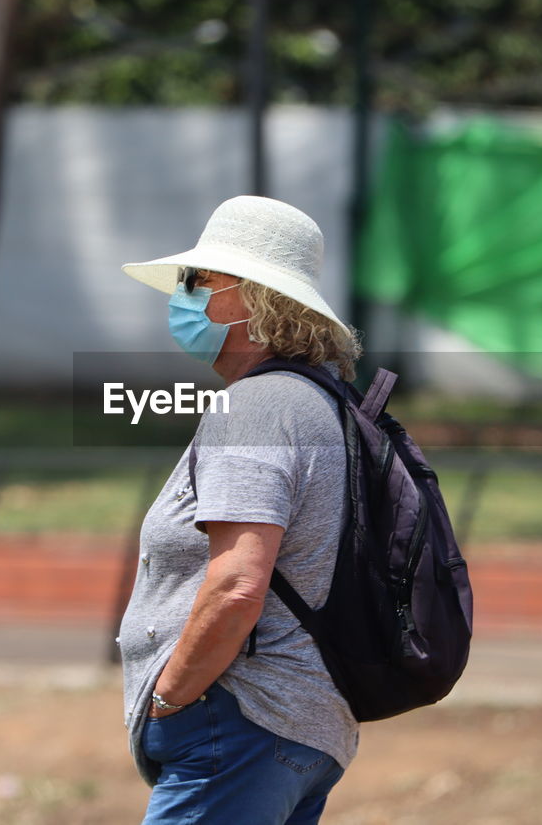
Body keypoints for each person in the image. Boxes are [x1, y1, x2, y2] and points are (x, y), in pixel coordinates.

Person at [116, 195, 363, 824]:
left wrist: (171, 697)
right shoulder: (318, 400)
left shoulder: (256, 408)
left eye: (196, 281)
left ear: (251, 298)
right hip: (300, 727)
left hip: (242, 723)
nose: (181, 294)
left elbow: (235, 585)